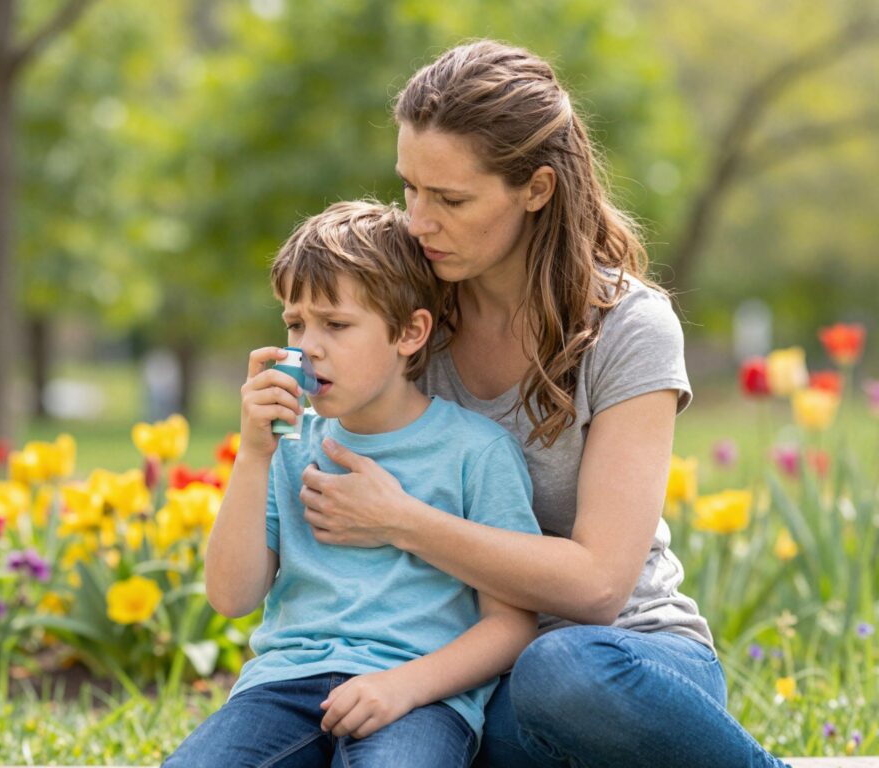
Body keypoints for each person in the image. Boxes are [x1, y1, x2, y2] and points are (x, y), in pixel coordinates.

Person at [297, 41, 790, 768]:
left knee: (559, 670)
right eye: (410, 189)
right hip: (471, 676)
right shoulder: (410, 321)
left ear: (536, 188)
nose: (417, 222)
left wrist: (403, 522)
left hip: (623, 665)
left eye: (451, 199)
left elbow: (597, 586)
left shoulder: (629, 327)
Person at [163, 200, 542, 768]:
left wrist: (403, 687)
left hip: (418, 697)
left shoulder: (476, 452)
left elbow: (512, 624)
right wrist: (252, 456)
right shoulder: (286, 446)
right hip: (283, 688)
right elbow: (231, 596)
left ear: (410, 332)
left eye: (336, 325)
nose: (308, 346)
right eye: (296, 323)